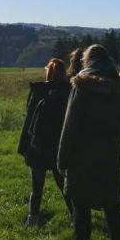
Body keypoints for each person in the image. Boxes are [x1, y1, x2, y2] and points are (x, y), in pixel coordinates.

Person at [57, 44, 120, 240]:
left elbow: (70, 126)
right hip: (109, 155)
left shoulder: (81, 87)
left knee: (80, 203)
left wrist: (62, 159)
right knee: (112, 202)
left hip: (82, 155)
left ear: (87, 61)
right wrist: (117, 150)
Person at [17, 58, 72, 227]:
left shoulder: (38, 91)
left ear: (48, 72)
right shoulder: (70, 92)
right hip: (59, 147)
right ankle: (75, 217)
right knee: (65, 186)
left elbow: (29, 121)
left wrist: (24, 146)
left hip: (38, 146)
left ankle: (33, 219)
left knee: (37, 188)